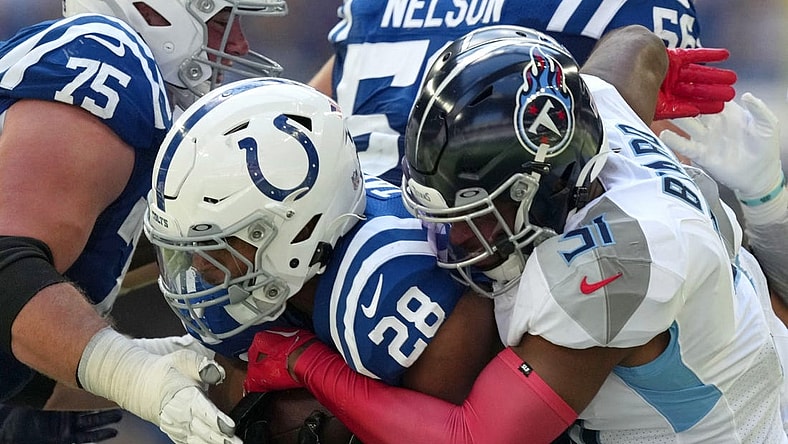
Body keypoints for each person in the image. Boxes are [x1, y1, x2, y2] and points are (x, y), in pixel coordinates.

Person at [243, 24, 787, 443]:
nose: (450, 237)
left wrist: (305, 362)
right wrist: (662, 69)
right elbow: (635, 46)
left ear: (545, 185)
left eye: (474, 214)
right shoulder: (594, 113)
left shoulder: (618, 262)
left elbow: (473, 437)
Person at [142, 76, 499, 438]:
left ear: (300, 228)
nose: (199, 266)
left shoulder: (394, 280)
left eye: (215, 245)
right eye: (191, 247)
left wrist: (310, 369)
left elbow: (454, 436)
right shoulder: (255, 285)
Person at [0, 0, 287, 443]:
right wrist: (131, 375)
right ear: (151, 10)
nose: (239, 44)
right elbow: (6, 271)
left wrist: (46, 386)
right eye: (219, 21)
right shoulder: (106, 54)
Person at [309, 0, 714, 185]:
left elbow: (310, 116)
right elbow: (662, 189)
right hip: (493, 266)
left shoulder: (372, 8)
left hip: (341, 245)